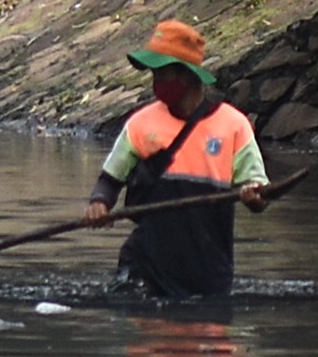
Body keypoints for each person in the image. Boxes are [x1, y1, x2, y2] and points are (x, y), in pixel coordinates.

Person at [80, 18, 268, 302]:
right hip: (146, 263)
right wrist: (99, 203)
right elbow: (110, 180)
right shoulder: (141, 124)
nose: (156, 83)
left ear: (186, 75)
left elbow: (258, 192)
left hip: (207, 269)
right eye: (153, 75)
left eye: (162, 74)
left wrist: (253, 195)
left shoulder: (233, 126)